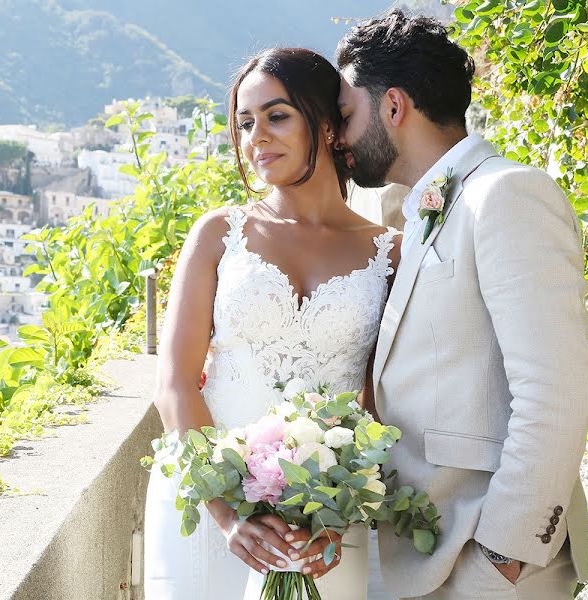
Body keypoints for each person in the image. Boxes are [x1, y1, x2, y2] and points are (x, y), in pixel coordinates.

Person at [333, 10, 588, 599]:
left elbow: (559, 390)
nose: (338, 138)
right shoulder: (425, 210)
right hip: (432, 558)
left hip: (491, 567)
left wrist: (505, 554)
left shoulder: (505, 194)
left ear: (394, 107)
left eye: (347, 115)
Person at [143, 46, 401, 600]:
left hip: (326, 522)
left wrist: (341, 515)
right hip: (209, 508)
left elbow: (380, 401)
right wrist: (227, 513)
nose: (256, 135)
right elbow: (174, 381)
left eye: (277, 116)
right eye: (244, 122)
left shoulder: (390, 254)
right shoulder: (219, 234)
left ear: (328, 126)